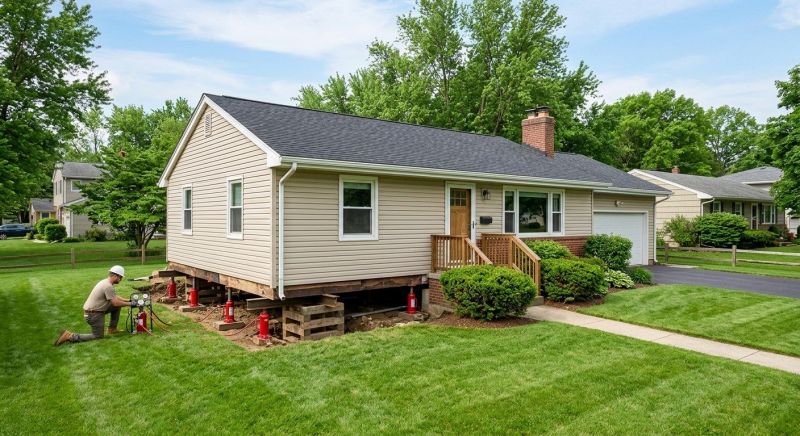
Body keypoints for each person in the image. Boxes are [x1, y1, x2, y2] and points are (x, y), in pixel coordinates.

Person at [54, 265, 131, 346]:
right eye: (120, 277)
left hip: (93, 312)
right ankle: (70, 336)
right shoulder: (108, 286)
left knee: (116, 307)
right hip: (93, 315)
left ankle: (112, 329)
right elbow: (116, 302)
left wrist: (128, 300)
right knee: (98, 336)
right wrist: (131, 304)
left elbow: (114, 297)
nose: (121, 280)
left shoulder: (105, 282)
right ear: (115, 276)